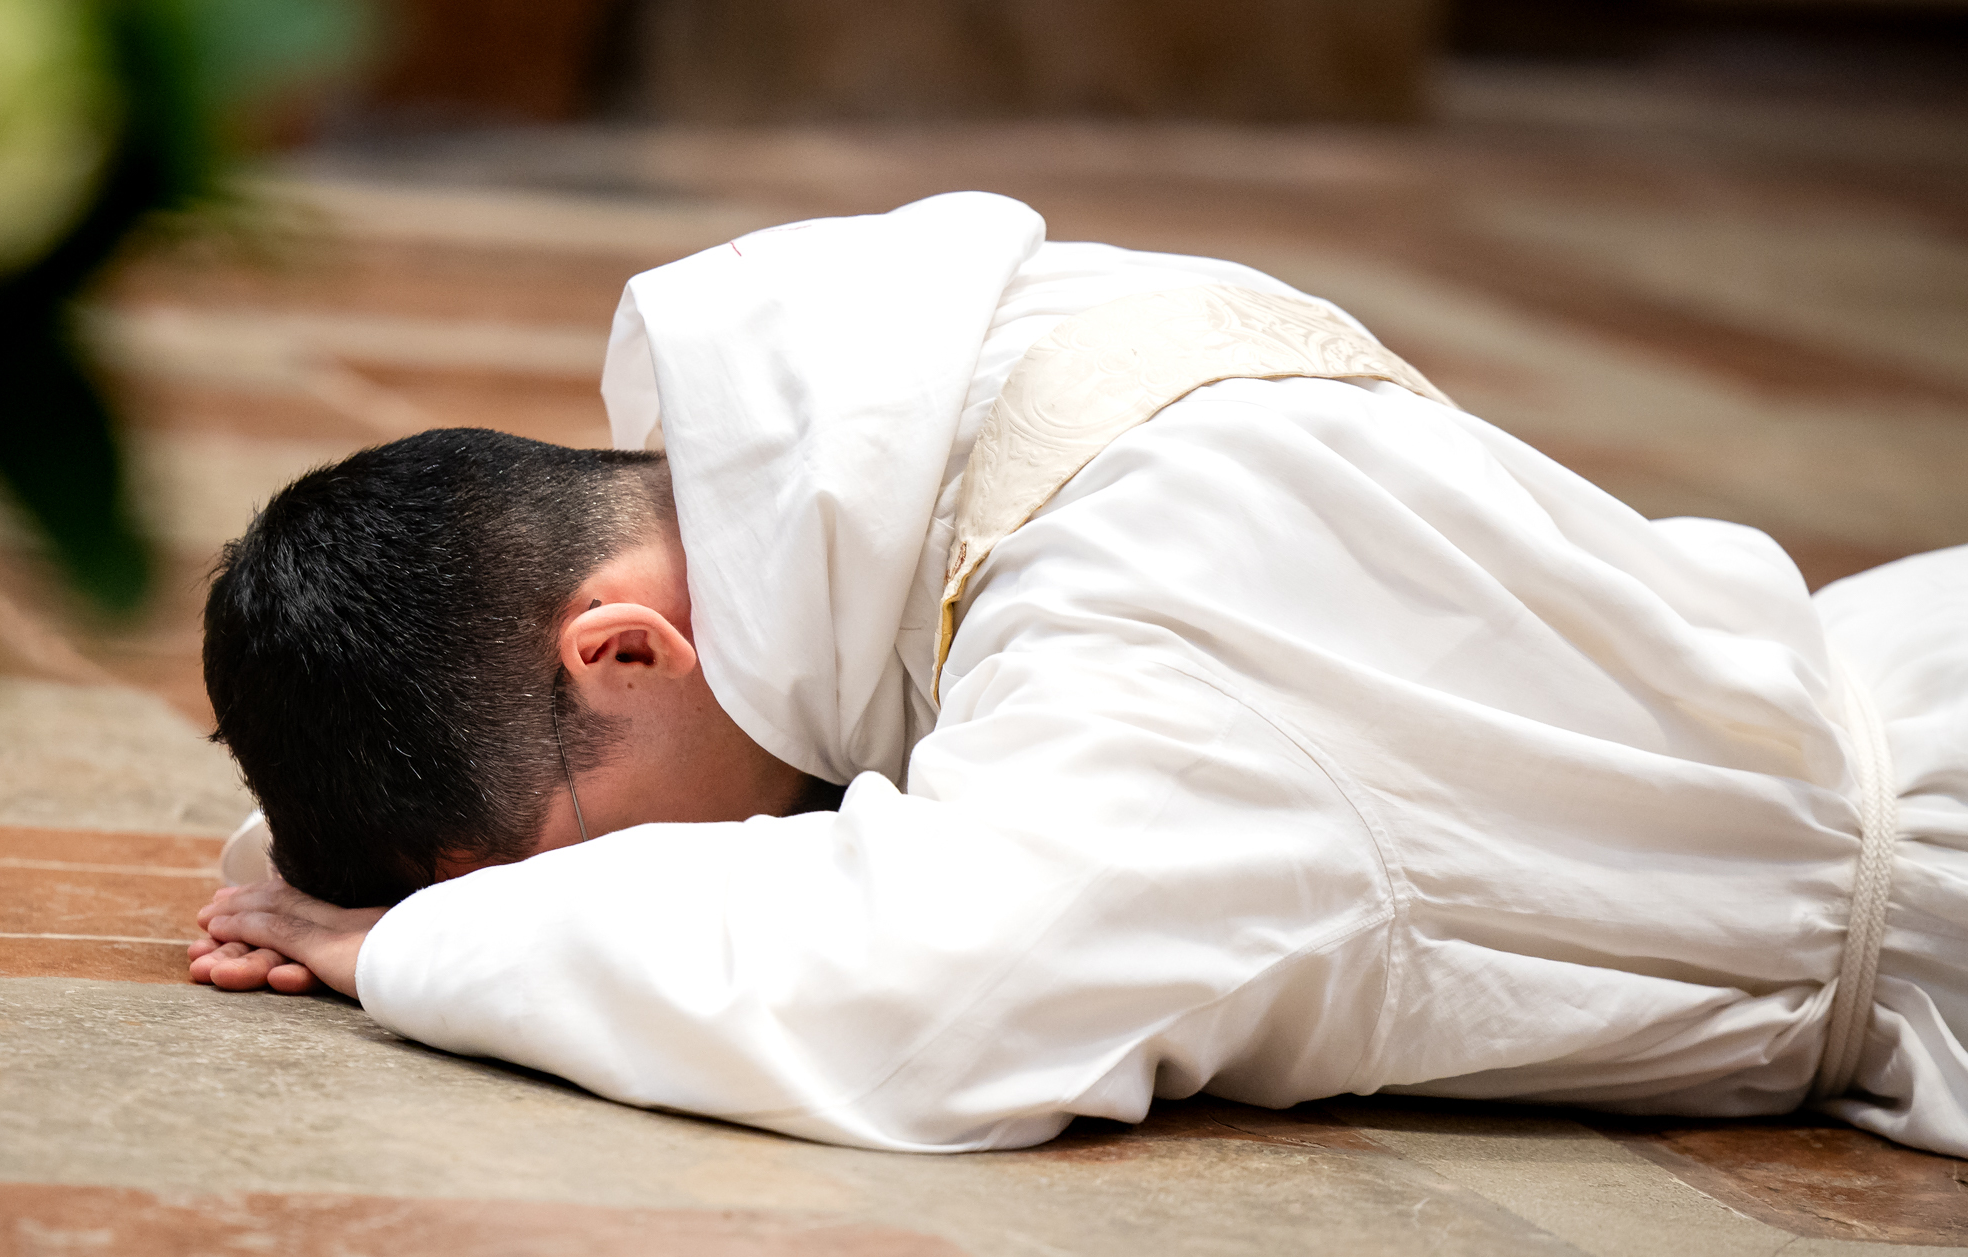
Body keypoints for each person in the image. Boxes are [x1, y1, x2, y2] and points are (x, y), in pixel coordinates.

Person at [188, 192, 1968, 1161]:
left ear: (626, 649)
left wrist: (397, 951)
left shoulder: (1135, 601)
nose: (624, 878)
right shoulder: (938, 387)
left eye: (583, 851)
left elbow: (927, 1000)